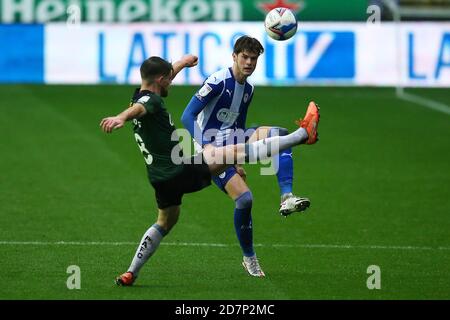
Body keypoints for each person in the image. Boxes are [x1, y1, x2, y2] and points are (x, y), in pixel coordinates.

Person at [99, 54, 320, 286]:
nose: (171, 83)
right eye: (169, 80)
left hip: (160, 180)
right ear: (161, 80)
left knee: (165, 222)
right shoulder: (148, 102)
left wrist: (182, 63)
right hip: (180, 170)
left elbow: (154, 88)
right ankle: (302, 135)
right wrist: (121, 117)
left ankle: (131, 272)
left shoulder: (142, 92)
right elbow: (139, 109)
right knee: (237, 152)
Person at [181, 36, 310, 277]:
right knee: (245, 200)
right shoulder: (218, 81)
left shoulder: (249, 89)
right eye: (245, 57)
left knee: (279, 135)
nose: (249, 62)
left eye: (254, 58)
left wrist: (238, 161)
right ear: (234, 56)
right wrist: (207, 146)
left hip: (233, 144)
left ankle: (287, 196)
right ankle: (249, 257)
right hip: (210, 151)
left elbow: (238, 126)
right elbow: (187, 116)